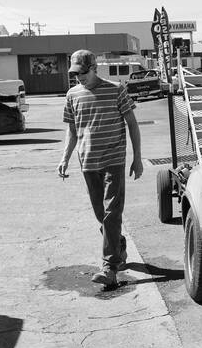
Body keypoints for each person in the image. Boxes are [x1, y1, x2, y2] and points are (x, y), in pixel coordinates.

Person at [57, 50, 143, 288]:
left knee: (111, 213)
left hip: (113, 161)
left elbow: (133, 125)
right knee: (100, 215)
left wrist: (137, 158)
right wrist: (64, 158)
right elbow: (72, 130)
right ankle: (119, 244)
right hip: (87, 162)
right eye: (75, 74)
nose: (78, 78)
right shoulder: (72, 95)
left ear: (94, 67)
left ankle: (109, 268)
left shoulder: (116, 89)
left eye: (82, 73)